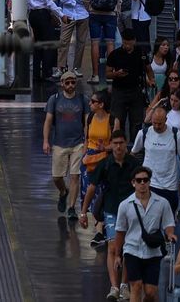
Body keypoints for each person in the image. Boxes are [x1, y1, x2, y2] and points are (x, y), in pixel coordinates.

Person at [81, 131, 141, 301]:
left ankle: (124, 285)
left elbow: (143, 186)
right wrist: (83, 211)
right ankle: (114, 287)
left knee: (128, 248)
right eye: (115, 143)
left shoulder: (133, 164)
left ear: (126, 143)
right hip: (111, 211)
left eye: (121, 143)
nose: (118, 146)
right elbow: (92, 187)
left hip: (131, 212)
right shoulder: (105, 164)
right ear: (111, 144)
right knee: (113, 248)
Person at [115, 166, 177, 302]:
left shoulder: (162, 203)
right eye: (139, 180)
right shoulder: (125, 205)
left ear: (149, 182)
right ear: (133, 183)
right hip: (132, 250)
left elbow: (168, 224)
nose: (142, 183)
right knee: (136, 286)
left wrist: (170, 234)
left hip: (153, 252)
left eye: (145, 180)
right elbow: (120, 232)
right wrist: (117, 255)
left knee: (150, 292)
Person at [44, 71, 91, 219]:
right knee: (57, 177)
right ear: (62, 84)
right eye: (68, 82)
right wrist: (46, 141)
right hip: (59, 143)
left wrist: (86, 141)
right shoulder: (55, 99)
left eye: (73, 82)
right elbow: (48, 121)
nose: (71, 85)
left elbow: (87, 122)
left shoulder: (82, 99)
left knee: (75, 176)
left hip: (78, 143)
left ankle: (71, 208)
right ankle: (63, 192)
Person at [133, 107, 180, 214]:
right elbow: (133, 153)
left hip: (170, 186)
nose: (157, 126)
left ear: (166, 120)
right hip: (150, 184)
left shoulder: (175, 134)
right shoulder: (143, 133)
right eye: (154, 123)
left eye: (160, 123)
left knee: (169, 220)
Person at [82, 91, 119, 248]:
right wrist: (84, 155)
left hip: (105, 158)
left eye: (93, 101)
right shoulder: (89, 118)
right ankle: (99, 227)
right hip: (90, 159)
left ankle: (100, 229)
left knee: (101, 192)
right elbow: (86, 139)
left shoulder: (113, 121)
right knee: (89, 192)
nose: (90, 104)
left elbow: (117, 142)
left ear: (101, 104)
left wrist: (106, 147)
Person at [84, 0, 123, 80]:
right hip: (111, 14)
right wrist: (116, 12)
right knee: (110, 43)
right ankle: (110, 74)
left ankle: (95, 75)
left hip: (95, 13)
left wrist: (89, 8)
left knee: (95, 43)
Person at [108, 29, 148, 143]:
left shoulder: (141, 53)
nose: (127, 46)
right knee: (117, 119)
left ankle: (135, 147)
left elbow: (148, 69)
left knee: (136, 121)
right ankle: (119, 144)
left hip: (136, 90)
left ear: (134, 41)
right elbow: (107, 73)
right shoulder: (115, 54)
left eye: (129, 43)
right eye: (125, 43)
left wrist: (151, 80)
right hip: (119, 90)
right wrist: (116, 74)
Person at [58, 0, 91, 79]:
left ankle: (76, 67)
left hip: (83, 14)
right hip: (69, 13)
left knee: (81, 43)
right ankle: (61, 67)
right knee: (63, 41)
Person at [28, 0, 60, 83]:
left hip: (34, 15)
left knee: (38, 44)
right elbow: (48, 2)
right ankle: (47, 73)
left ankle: (36, 73)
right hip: (42, 14)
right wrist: (60, 14)